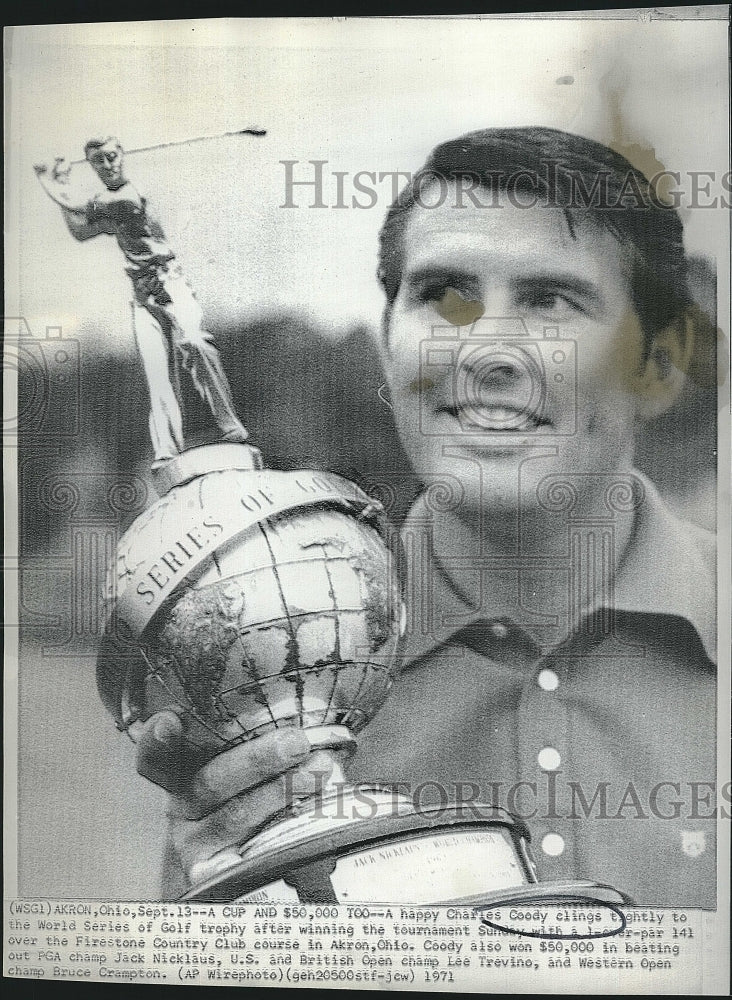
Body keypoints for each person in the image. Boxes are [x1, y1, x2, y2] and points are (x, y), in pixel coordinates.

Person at [133, 127, 716, 906]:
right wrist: (199, 922)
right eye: (442, 295)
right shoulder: (267, 661)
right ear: (388, 344)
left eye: (551, 299)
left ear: (659, 363)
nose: (484, 354)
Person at [34, 136, 249, 466]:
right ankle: (166, 450)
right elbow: (80, 231)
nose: (107, 166)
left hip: (170, 284)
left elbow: (77, 205)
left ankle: (230, 424)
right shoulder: (111, 208)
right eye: (98, 162)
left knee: (194, 342)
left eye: (111, 157)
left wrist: (51, 179)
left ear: (121, 155)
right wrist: (58, 185)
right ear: (92, 165)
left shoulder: (129, 199)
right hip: (141, 294)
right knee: (156, 373)